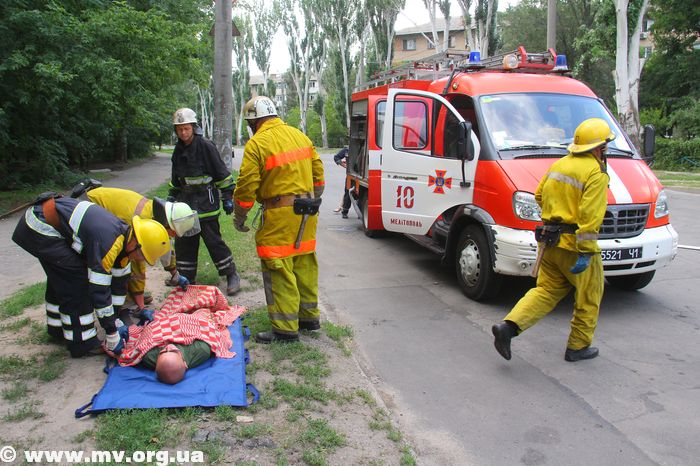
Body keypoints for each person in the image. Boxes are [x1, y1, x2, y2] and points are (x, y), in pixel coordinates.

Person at [491, 118, 613, 362]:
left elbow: (539, 195)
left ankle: (508, 327)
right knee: (588, 296)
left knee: (546, 290)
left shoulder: (560, 164)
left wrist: (556, 214)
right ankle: (578, 347)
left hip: (550, 241)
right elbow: (590, 216)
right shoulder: (595, 172)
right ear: (600, 147)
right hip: (575, 246)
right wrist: (586, 250)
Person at [12, 195, 171, 357]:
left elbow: (118, 286)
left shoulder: (124, 242)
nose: (140, 260)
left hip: (45, 222)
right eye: (142, 255)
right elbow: (98, 291)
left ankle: (57, 330)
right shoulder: (109, 244)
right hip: (39, 226)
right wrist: (111, 332)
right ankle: (82, 344)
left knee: (62, 277)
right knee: (76, 281)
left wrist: (115, 320)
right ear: (136, 244)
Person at [233, 96, 325, 343]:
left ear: (253, 122)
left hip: (279, 216)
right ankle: (308, 318)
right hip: (308, 213)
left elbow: (246, 187)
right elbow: (318, 175)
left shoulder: (257, 144)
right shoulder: (300, 136)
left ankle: (285, 329)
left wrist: (239, 216)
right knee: (304, 264)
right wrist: (311, 198)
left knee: (279, 267)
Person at [80, 186, 197, 310]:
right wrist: (141, 307)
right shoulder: (141, 223)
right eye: (173, 233)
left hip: (98, 207)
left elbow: (165, 246)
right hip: (87, 210)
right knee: (116, 261)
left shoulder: (158, 215)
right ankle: (121, 301)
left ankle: (130, 295)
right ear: (168, 224)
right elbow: (137, 263)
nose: (173, 236)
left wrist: (175, 274)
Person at [169, 107, 241, 295]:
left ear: (194, 127)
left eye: (186, 128)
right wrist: (171, 197)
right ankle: (186, 278)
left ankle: (231, 274)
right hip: (185, 207)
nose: (183, 133)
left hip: (206, 205)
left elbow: (222, 174)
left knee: (214, 242)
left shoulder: (206, 146)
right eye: (179, 129)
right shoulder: (178, 150)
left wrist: (227, 197)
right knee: (185, 244)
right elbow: (176, 179)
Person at [332, 146, 351, 219]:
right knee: (347, 193)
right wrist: (343, 164)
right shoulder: (347, 150)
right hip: (350, 175)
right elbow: (336, 157)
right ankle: (345, 211)